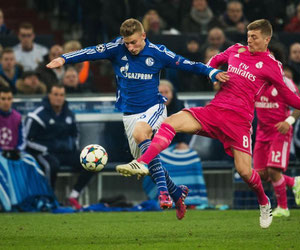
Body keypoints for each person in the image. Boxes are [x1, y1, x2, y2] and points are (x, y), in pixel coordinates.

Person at [116, 19, 300, 228]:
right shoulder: (236, 49)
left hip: (239, 122)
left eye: (254, 37)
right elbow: (213, 62)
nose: (250, 41)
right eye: (248, 36)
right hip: (215, 110)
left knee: (245, 172)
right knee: (170, 122)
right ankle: (143, 162)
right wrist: (213, 75)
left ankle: (264, 202)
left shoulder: (272, 65)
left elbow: (288, 96)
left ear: (267, 39)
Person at [46, 18, 223, 219]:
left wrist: (211, 71)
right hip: (129, 115)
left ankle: (163, 194)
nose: (130, 47)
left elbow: (187, 64)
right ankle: (177, 192)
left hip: (154, 107)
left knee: (142, 135)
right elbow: (91, 51)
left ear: (143, 36)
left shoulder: (158, 52)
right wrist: (63, 59)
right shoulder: (117, 47)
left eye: (134, 42)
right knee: (147, 162)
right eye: (127, 43)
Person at [24, 84, 95, 210]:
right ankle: (49, 199)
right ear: (49, 95)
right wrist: (45, 149)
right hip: (45, 152)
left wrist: (73, 147)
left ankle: (74, 195)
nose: (58, 98)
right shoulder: (37, 115)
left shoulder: (69, 114)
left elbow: (76, 134)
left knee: (92, 162)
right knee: (51, 165)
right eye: (55, 94)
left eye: (61, 95)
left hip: (66, 152)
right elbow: (27, 140)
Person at [253, 62, 300, 217]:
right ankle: (293, 182)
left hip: (280, 133)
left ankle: (283, 208)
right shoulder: (255, 82)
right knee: (260, 173)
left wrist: (288, 122)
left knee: (273, 170)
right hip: (262, 133)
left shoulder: (285, 82)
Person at [158, 79, 191, 150]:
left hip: (175, 145)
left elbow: (187, 128)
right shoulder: (148, 108)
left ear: (172, 94)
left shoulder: (180, 106)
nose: (164, 96)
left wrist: (184, 142)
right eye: (161, 93)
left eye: (166, 92)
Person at [0, 86, 25, 160]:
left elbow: (22, 140)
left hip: (15, 154)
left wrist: (17, 150)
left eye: (9, 99)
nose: (6, 102)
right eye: (3, 99)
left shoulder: (18, 117)